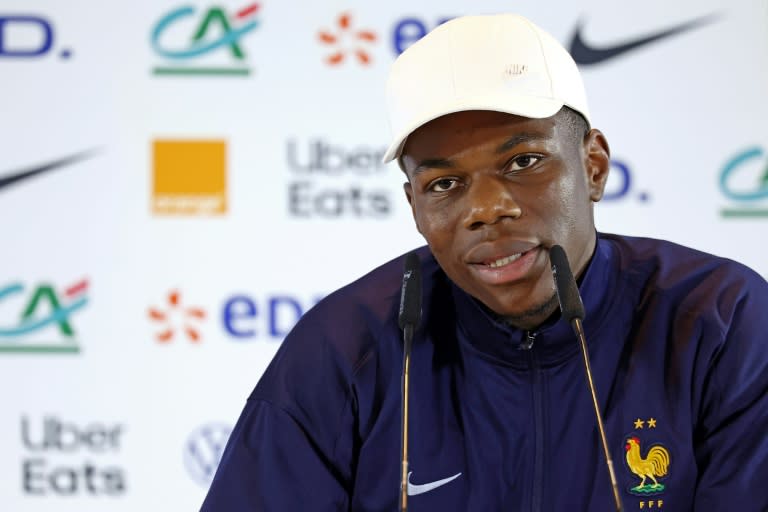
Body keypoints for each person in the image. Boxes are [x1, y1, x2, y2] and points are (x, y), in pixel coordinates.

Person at [201, 14, 768, 511]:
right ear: (415, 208)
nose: (487, 209)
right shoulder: (345, 350)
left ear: (593, 166)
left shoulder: (720, 322)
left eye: (524, 161)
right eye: (445, 182)